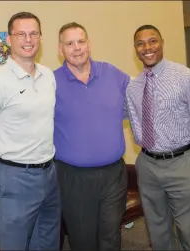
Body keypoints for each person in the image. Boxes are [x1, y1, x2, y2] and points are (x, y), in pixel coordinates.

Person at [0, 11, 60, 251]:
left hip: (49, 174)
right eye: (21, 34)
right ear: (9, 39)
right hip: (16, 178)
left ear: (40, 37)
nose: (28, 39)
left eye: (34, 33)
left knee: (48, 242)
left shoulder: (48, 76)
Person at [126, 24, 190, 250]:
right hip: (147, 165)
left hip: (182, 164)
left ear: (162, 42)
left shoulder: (187, 78)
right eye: (140, 43)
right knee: (157, 229)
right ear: (135, 49)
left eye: (152, 40)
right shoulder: (134, 87)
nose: (147, 47)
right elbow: (135, 121)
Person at [54, 22, 130, 251]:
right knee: (83, 240)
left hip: (113, 175)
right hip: (74, 179)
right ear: (60, 50)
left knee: (111, 238)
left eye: (81, 41)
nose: (77, 48)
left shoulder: (113, 74)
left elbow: (141, 100)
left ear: (89, 44)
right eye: (69, 43)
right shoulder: (49, 82)